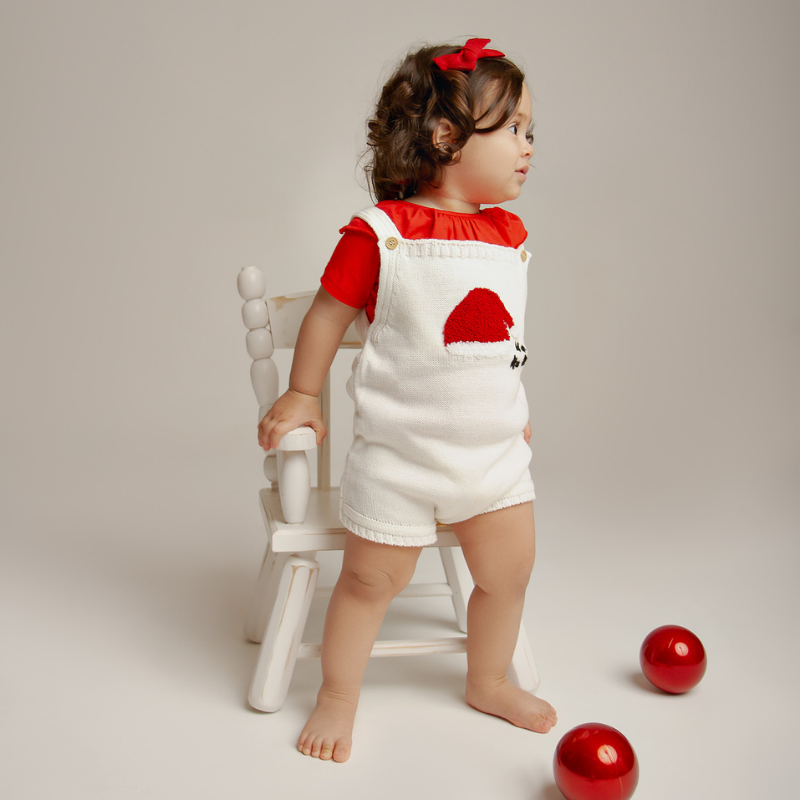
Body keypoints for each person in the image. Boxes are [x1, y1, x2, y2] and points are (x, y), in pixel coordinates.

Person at [257, 38, 557, 762]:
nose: (529, 147)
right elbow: (328, 314)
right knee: (369, 581)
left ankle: (488, 678)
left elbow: (497, 346)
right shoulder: (383, 235)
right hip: (400, 457)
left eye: (531, 132)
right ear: (447, 137)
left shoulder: (508, 236)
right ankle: (338, 696)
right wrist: (303, 392)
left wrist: (510, 413)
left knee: (510, 572)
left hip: (492, 458)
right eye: (514, 129)